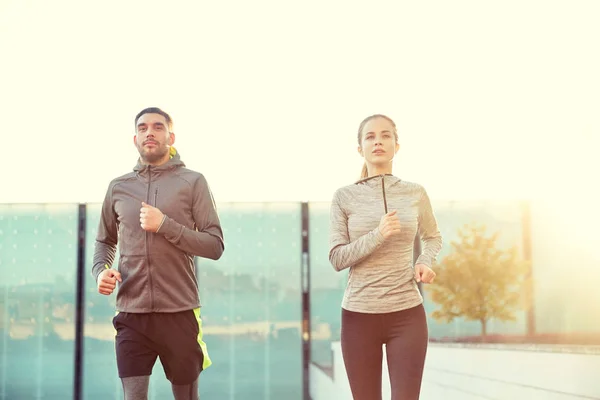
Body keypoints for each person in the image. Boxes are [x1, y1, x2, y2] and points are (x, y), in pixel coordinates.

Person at [92, 107, 224, 400]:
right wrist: (101, 271)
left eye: (157, 127)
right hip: (131, 314)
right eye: (142, 128)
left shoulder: (193, 182)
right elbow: (104, 241)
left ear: (171, 136)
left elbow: (215, 245)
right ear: (135, 139)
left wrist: (165, 225)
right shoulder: (118, 187)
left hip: (180, 312)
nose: (149, 132)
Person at [329, 114, 443, 400]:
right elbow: (337, 258)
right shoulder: (344, 197)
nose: (378, 141)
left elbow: (433, 237)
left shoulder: (415, 193)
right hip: (358, 318)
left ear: (396, 145)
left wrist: (425, 261)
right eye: (370, 136)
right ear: (360, 149)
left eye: (385, 135)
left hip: (407, 315)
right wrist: (377, 235)